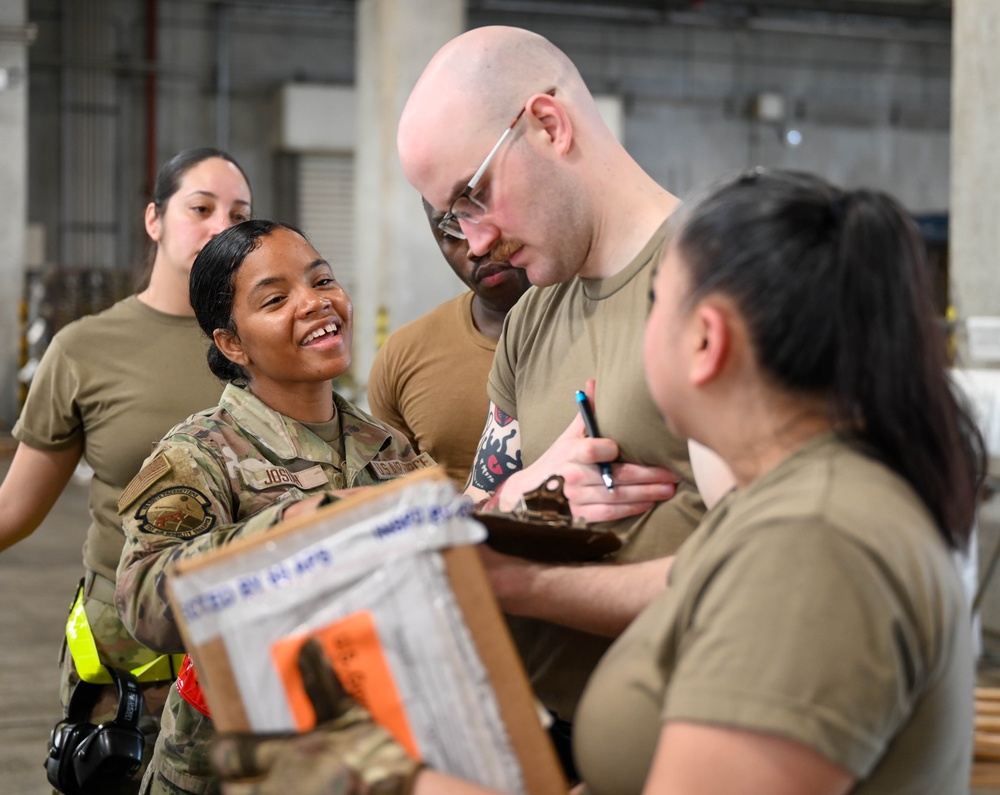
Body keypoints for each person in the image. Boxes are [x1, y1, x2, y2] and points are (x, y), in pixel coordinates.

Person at [211, 169, 984, 795]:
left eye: (653, 307)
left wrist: (390, 777)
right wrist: (509, 577)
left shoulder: (815, 544)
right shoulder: (798, 505)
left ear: (706, 341)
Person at [396, 26, 707, 771]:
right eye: (452, 217)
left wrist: (522, 583)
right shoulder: (533, 316)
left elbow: (763, 572)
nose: (474, 242)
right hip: (543, 738)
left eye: (473, 196)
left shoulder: (720, 281)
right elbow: (477, 510)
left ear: (547, 124)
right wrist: (529, 491)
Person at [115, 219, 433, 795]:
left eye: (323, 280)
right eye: (276, 299)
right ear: (232, 342)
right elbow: (142, 603)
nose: (316, 303)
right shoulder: (201, 454)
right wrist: (286, 528)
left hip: (363, 756)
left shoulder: (385, 446)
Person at [0, 147, 252, 793]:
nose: (221, 226)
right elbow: (14, 510)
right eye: (200, 208)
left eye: (239, 213)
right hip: (126, 673)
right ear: (155, 219)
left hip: (245, 648)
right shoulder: (83, 350)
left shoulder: (259, 345)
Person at [367, 198, 531, 487]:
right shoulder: (403, 355)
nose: (474, 248)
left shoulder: (598, 325)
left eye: (481, 218)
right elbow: (400, 501)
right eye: (450, 233)